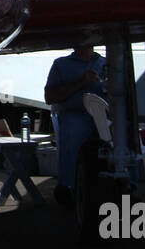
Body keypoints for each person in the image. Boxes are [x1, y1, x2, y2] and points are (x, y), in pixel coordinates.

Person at [44, 43, 106, 204]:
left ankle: (126, 184)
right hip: (76, 113)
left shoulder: (106, 63)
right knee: (73, 131)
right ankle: (68, 186)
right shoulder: (61, 64)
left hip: (104, 116)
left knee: (124, 133)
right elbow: (50, 97)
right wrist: (81, 82)